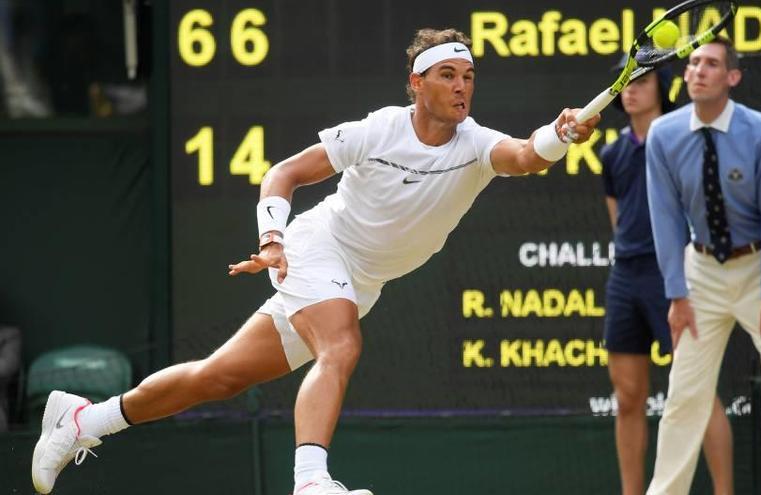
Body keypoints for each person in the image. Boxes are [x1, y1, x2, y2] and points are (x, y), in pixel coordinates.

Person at [31, 28, 601, 495]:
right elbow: (283, 173)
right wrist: (273, 238)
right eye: (447, 75)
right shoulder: (378, 129)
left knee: (219, 377)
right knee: (341, 345)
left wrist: (558, 134)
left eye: (468, 76)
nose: (461, 87)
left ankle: (83, 421)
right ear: (416, 84)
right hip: (317, 247)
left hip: (364, 280)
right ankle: (311, 482)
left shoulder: (476, 144)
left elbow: (527, 157)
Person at [644, 37, 761, 494]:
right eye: (692, 63)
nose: (698, 71)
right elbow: (666, 220)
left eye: (711, 64)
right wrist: (677, 295)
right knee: (685, 397)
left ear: (732, 78)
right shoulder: (664, 137)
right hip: (700, 274)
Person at [599, 61, 733, 495]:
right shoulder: (613, 153)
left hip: (677, 275)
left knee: (697, 390)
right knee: (628, 397)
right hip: (627, 277)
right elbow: (619, 221)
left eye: (642, 81)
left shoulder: (685, 139)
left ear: (662, 87)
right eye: (626, 84)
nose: (632, 91)